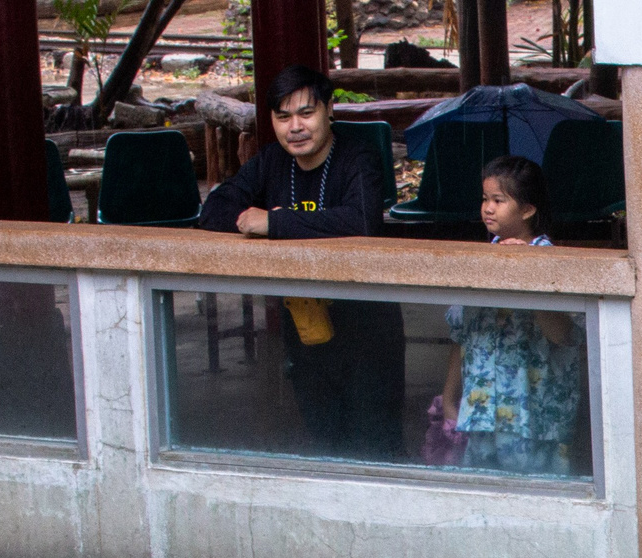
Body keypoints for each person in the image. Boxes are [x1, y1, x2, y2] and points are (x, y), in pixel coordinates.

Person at [198, 64, 407, 462]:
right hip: (306, 328)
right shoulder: (271, 162)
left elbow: (361, 221)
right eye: (283, 117)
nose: (295, 127)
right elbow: (215, 210)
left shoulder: (356, 156)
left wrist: (276, 220)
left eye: (306, 113)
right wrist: (258, 220)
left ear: (329, 109)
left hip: (368, 329)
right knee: (325, 440)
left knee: (378, 443)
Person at [439, 156, 587, 474]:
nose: (487, 208)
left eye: (498, 200)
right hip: (481, 412)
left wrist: (524, 272)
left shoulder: (550, 260)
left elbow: (565, 335)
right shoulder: (481, 257)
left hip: (534, 418)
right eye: (484, 199)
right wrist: (450, 399)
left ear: (528, 209)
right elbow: (461, 334)